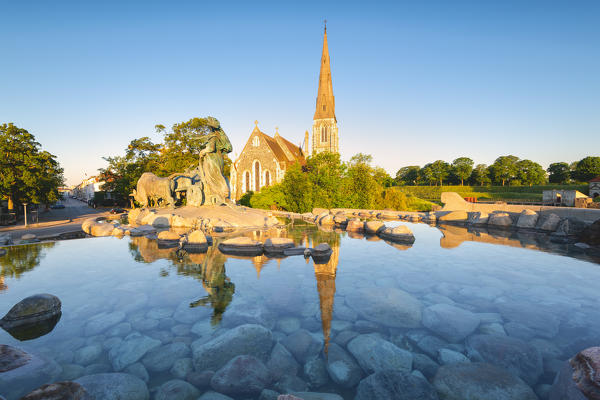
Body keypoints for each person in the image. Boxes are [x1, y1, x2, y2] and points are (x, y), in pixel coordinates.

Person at [197, 117, 233, 205]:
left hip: (212, 160)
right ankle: (222, 196)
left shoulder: (212, 135)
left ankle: (223, 194)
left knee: (213, 178)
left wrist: (203, 151)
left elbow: (211, 148)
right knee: (219, 176)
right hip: (219, 159)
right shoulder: (219, 136)